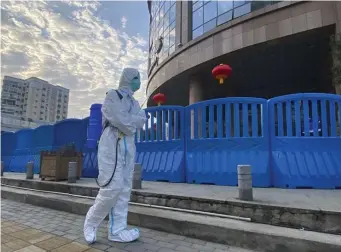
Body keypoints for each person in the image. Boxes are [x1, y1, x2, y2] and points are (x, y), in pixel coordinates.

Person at [84, 68, 146, 244]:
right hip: (111, 146)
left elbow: (141, 120)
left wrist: (129, 121)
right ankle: (91, 223)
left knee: (125, 189)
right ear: (126, 79)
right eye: (135, 78)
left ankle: (117, 229)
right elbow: (122, 121)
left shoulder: (134, 103)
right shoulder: (112, 96)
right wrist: (131, 121)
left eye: (139, 78)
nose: (138, 82)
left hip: (128, 147)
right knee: (112, 187)